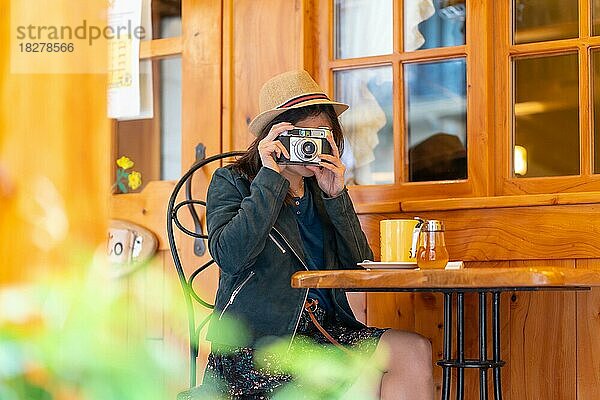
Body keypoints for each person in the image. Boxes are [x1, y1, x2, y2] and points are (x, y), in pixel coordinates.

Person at [203, 70, 434, 399]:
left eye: (321, 135)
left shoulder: (321, 188)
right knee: (357, 374)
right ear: (273, 138)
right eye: (300, 136)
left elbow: (358, 267)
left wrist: (336, 195)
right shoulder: (234, 181)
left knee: (414, 350)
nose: (311, 146)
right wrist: (271, 177)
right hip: (259, 341)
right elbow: (231, 255)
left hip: (327, 330)